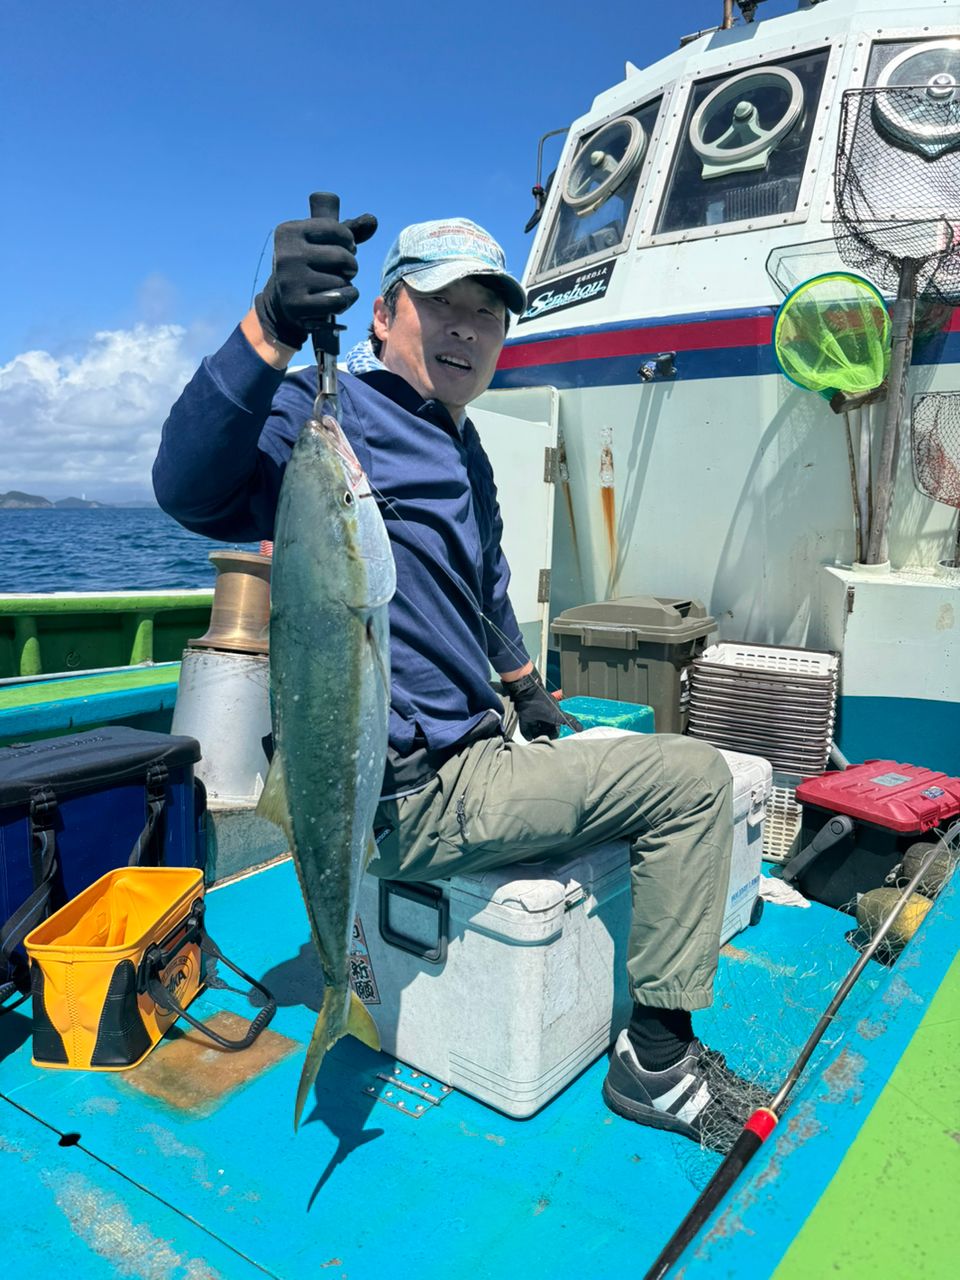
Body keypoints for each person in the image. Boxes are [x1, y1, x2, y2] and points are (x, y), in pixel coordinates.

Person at [153, 198, 768, 1152]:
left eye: (490, 315)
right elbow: (188, 488)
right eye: (445, 305)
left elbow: (482, 586)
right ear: (384, 315)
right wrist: (271, 322)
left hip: (473, 749)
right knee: (690, 779)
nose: (469, 331)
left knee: (625, 746)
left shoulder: (462, 442)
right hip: (418, 790)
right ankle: (655, 1062)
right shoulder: (326, 421)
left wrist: (526, 690)